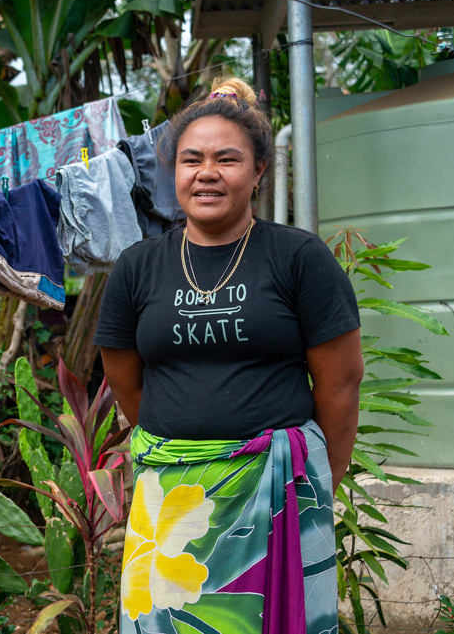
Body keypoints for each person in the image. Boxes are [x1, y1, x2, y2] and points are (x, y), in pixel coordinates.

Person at [93, 77, 363, 634]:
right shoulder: (138, 267)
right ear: (173, 174)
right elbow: (124, 381)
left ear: (259, 171)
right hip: (171, 500)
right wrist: (188, 440)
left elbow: (339, 384)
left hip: (278, 489)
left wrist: (315, 483)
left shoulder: (298, 258)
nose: (207, 173)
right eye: (191, 159)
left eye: (227, 159)